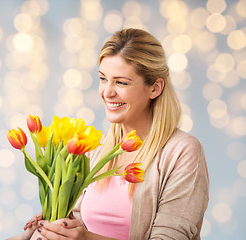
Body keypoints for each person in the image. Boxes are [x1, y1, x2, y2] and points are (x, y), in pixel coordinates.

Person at [28, 28, 209, 239]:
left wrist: (87, 238)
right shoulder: (95, 150)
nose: (107, 92)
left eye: (121, 82)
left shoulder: (181, 151)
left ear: (155, 88)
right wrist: (60, 222)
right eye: (103, 79)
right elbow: (83, 222)